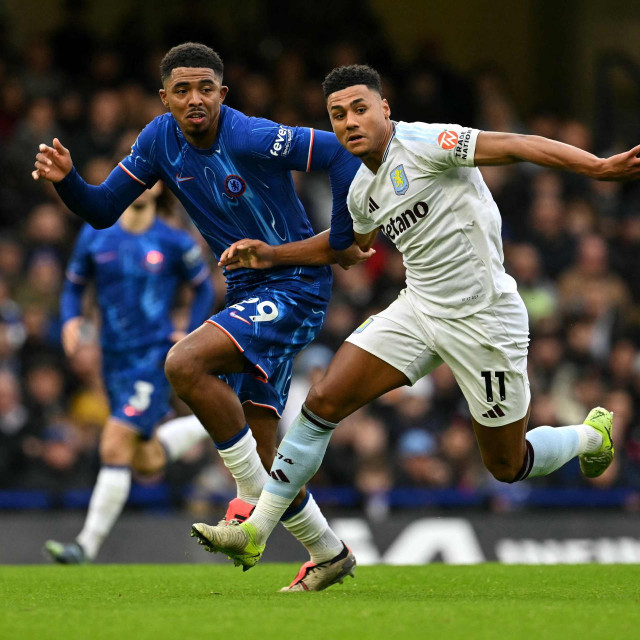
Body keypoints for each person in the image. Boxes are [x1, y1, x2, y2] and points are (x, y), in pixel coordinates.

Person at [193, 63, 640, 570]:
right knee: (322, 401)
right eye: (337, 115)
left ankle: (590, 436)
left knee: (506, 464)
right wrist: (271, 256)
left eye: (360, 109)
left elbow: (515, 144)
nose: (349, 122)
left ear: (385, 109)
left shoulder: (428, 143)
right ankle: (256, 530)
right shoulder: (360, 188)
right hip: (418, 310)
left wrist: (597, 168)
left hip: (485, 320)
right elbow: (348, 248)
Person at [33, 43, 368, 590]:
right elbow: (99, 210)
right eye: (182, 90)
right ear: (164, 98)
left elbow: (336, 152)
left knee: (184, 363)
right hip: (245, 292)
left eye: (206, 89)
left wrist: (339, 239)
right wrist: (68, 179)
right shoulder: (156, 140)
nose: (195, 100)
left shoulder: (250, 134)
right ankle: (328, 552)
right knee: (264, 442)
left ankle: (250, 502)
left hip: (295, 286)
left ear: (222, 95)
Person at [45, 183, 215, 563]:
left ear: (159, 189)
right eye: (135, 176)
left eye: (150, 178)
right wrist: (72, 319)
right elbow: (73, 286)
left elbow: (203, 289)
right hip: (113, 359)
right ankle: (215, 420)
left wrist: (189, 332)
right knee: (145, 458)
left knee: (114, 441)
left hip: (153, 357)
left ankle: (84, 546)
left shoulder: (174, 241)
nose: (141, 184)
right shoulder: (94, 234)